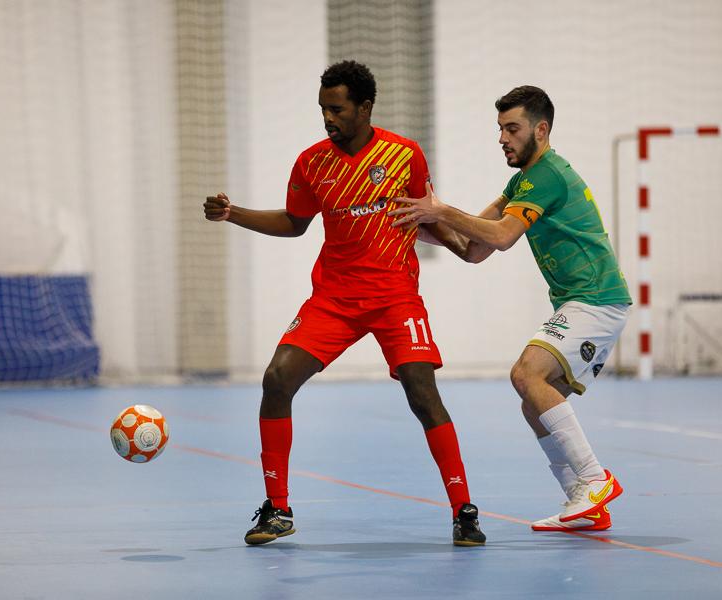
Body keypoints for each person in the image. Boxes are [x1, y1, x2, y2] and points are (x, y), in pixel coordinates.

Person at [203, 60, 486, 546]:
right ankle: (277, 509)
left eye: (336, 109)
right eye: (322, 110)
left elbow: (422, 214)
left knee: (422, 392)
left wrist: (463, 245)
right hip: (334, 298)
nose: (328, 119)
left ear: (365, 107)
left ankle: (464, 510)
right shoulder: (312, 162)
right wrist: (233, 214)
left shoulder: (405, 155)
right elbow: (294, 222)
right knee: (276, 380)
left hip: (396, 296)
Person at [389, 85, 632, 532]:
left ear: (541, 130)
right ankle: (582, 502)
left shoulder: (548, 176)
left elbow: (500, 236)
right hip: (582, 302)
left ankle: (595, 479)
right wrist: (420, 224)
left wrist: (439, 208)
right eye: (500, 128)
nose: (503, 137)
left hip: (597, 299)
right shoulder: (521, 182)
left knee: (526, 374)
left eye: (513, 128)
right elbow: (474, 249)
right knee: (533, 402)